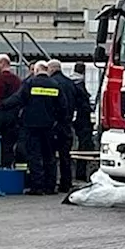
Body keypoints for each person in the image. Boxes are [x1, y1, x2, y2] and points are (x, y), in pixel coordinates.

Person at [0, 61, 69, 195]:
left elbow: (17, 99)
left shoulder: (30, 83)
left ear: (36, 70)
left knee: (34, 155)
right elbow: (63, 107)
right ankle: (50, 186)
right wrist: (57, 121)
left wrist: (2, 105)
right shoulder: (55, 85)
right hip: (49, 126)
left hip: (31, 125)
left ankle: (37, 186)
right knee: (49, 156)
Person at [46, 60, 76, 192]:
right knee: (65, 156)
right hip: (67, 124)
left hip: (54, 124)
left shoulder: (52, 83)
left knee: (51, 155)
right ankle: (66, 183)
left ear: (52, 69)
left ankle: (51, 183)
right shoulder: (70, 83)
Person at [70, 62, 95, 182]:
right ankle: (80, 174)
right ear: (84, 71)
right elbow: (83, 105)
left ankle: (73, 174)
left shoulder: (70, 83)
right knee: (84, 147)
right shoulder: (79, 84)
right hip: (81, 121)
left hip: (71, 119)